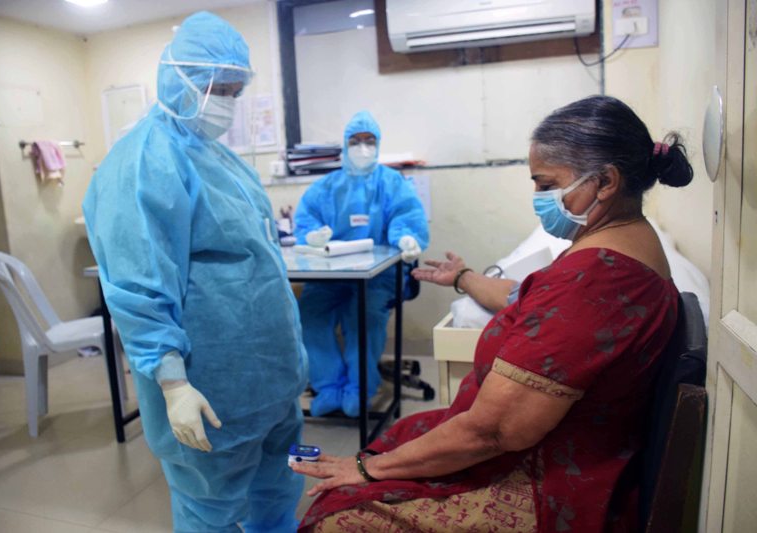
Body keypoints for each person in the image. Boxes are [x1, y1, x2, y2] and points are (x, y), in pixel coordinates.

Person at [291, 95, 694, 532]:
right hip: (546, 443)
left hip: (545, 480)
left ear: (606, 182)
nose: (538, 198)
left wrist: (368, 469)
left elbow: (494, 431)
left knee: (338, 511)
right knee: (389, 419)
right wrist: (463, 277)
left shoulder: (597, 279)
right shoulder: (621, 246)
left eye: (546, 184)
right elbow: (529, 299)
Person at [82, 12, 307, 533]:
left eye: (234, 90)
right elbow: (138, 286)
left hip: (268, 378)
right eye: (216, 88)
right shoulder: (143, 161)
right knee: (212, 507)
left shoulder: (218, 157)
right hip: (210, 380)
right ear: (177, 79)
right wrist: (173, 382)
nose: (225, 100)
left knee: (277, 488)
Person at [294, 111, 429, 418]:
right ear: (345, 145)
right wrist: (312, 236)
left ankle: (359, 389)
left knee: (362, 318)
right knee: (309, 316)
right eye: (355, 141)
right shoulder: (326, 187)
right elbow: (306, 219)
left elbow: (406, 216)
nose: (363, 148)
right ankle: (328, 387)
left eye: (370, 141)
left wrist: (406, 238)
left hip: (379, 277)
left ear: (378, 144)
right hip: (331, 276)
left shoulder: (392, 183)